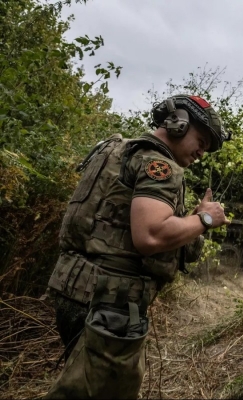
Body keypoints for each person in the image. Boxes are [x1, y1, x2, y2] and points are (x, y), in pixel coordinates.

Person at [43, 94, 231, 399]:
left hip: (74, 290)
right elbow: (151, 236)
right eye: (201, 139)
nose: (202, 151)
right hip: (111, 303)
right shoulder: (159, 164)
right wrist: (206, 219)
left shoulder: (116, 150)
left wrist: (191, 221)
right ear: (178, 123)